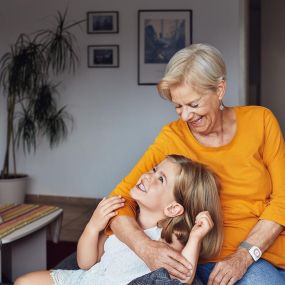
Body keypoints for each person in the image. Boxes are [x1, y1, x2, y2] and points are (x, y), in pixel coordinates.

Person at [107, 43, 285, 285]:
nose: (185, 116)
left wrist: (244, 256)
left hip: (259, 252)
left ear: (219, 90)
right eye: (177, 106)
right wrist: (146, 247)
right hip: (201, 258)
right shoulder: (172, 137)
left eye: (193, 105)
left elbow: (282, 198)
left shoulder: (261, 121)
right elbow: (118, 202)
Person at [14, 155, 223, 285]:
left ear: (173, 208)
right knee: (24, 282)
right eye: (153, 170)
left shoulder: (169, 236)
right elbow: (86, 263)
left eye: (161, 179)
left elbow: (182, 279)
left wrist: (195, 238)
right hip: (89, 280)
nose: (148, 176)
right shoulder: (123, 220)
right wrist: (93, 226)